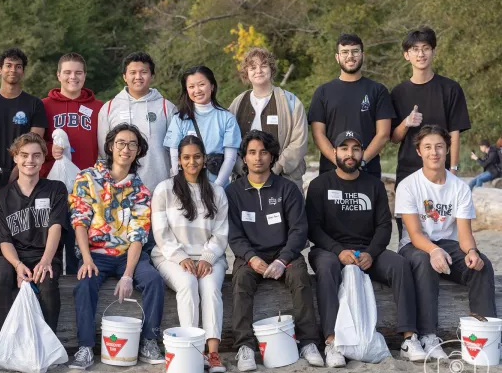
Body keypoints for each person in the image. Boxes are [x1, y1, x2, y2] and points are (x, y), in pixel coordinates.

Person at [306, 130, 426, 367]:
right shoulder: (320, 185)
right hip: (330, 251)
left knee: (401, 264)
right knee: (328, 266)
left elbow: (384, 226)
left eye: (355, 149)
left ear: (362, 153)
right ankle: (332, 342)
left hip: (367, 251)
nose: (349, 154)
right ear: (334, 153)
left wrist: (371, 253)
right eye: (344, 149)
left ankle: (409, 338)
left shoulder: (374, 185)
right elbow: (313, 228)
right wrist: (338, 250)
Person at [68, 124, 164, 370]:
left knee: (153, 279)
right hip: (95, 254)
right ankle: (85, 347)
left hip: (126, 256)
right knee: (84, 283)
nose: (126, 148)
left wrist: (128, 275)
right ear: (111, 146)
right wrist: (86, 258)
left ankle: (150, 341)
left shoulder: (141, 191)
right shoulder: (87, 177)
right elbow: (79, 220)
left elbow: (137, 235)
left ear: (139, 151)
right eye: (121, 142)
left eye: (133, 144)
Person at [226, 130, 323, 371]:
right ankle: (245, 347)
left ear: (272, 157)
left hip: (284, 254)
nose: (257, 158)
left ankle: (309, 342)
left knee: (301, 278)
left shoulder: (288, 189)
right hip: (250, 256)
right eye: (251, 153)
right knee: (239, 282)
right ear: (244, 158)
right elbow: (233, 234)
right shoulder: (233, 193)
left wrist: (282, 259)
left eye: (263, 152)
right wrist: (250, 258)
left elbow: (299, 230)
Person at [396, 125, 496, 360]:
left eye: (439, 146)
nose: (434, 152)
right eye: (428, 147)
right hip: (414, 246)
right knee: (425, 259)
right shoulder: (408, 185)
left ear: (448, 149)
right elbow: (414, 233)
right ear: (419, 151)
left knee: (482, 265)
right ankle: (429, 335)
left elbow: (463, 235)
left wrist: (472, 251)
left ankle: (482, 335)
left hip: (448, 245)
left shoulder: (459, 187)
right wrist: (434, 250)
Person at [151, 135, 229, 373]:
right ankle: (192, 350)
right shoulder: (165, 189)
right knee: (187, 283)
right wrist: (181, 257)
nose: (192, 162)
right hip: (170, 256)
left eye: (197, 157)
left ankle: (213, 353)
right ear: (180, 160)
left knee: (211, 288)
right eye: (186, 157)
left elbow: (221, 232)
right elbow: (161, 232)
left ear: (204, 159)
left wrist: (207, 258)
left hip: (209, 256)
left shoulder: (216, 192)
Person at [390, 27, 471, 235]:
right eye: (415, 49)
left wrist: (452, 169)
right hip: (408, 172)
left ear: (433, 51)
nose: (421, 54)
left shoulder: (450, 89)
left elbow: (455, 132)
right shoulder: (398, 93)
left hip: (442, 174)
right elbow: (393, 137)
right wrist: (406, 122)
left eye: (426, 48)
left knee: (445, 232)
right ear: (406, 55)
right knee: (408, 236)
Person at [0, 133, 68, 336]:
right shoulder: (2, 195)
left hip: (44, 253)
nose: (29, 160)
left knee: (47, 282)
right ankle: (3, 342)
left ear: (43, 158)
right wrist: (17, 265)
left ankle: (48, 344)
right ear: (15, 157)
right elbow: (3, 239)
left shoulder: (56, 189)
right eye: (24, 155)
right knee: (0, 274)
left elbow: (56, 227)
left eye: (36, 155)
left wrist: (46, 260)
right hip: (13, 256)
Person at [41, 52, 103, 274]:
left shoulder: (99, 108)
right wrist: (50, 149)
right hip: (53, 184)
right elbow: (31, 143)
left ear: (85, 76)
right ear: (58, 75)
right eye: (67, 72)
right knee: (52, 237)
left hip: (86, 186)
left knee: (81, 240)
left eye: (78, 72)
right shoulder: (44, 106)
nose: (72, 77)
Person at [308, 34, 394, 178]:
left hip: (367, 171)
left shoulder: (378, 90)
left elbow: (383, 134)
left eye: (355, 51)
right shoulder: (323, 92)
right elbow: (318, 134)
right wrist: (339, 161)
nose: (350, 56)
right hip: (331, 171)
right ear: (337, 57)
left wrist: (361, 161)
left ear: (363, 55)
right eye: (345, 52)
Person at [228, 47, 308, 190]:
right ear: (246, 72)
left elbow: (299, 142)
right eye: (252, 67)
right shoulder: (238, 103)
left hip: (283, 181)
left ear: (271, 69)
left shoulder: (291, 102)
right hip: (244, 182)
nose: (258, 71)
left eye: (263, 66)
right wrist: (242, 168)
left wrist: (276, 168)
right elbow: (229, 141)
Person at [97, 51, 176, 193]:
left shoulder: (166, 107)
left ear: (152, 75)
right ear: (124, 77)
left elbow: (175, 149)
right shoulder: (109, 108)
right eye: (133, 72)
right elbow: (105, 151)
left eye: (143, 72)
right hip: (121, 188)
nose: (138, 77)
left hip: (159, 187)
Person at [0, 48, 48, 189]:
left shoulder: (35, 104)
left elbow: (35, 144)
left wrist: (14, 174)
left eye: (18, 66)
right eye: (8, 65)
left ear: (23, 72)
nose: (13, 70)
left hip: (24, 175)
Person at [164, 65, 241, 187]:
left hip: (218, 188)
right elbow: (174, 156)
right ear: (186, 90)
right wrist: (180, 183)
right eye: (191, 87)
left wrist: (218, 187)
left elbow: (230, 158)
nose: (197, 90)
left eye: (201, 84)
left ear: (212, 86)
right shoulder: (179, 119)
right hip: (187, 188)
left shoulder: (227, 118)